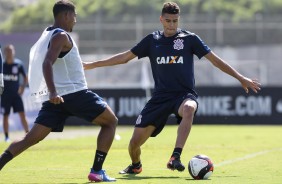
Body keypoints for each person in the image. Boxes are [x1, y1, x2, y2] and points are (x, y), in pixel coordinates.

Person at [83, 2, 261, 174]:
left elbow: (215, 60)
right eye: (168, 21)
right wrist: (92, 64)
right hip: (159, 98)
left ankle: (175, 156)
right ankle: (136, 165)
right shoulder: (152, 40)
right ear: (161, 19)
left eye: (175, 21)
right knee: (134, 145)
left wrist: (240, 77)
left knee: (190, 108)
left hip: (183, 95)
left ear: (179, 20)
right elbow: (124, 58)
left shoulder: (189, 39)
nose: (172, 25)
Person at [0, 0, 117, 182]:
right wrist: (54, 91)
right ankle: (97, 171)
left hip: (54, 100)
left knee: (29, 139)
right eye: (74, 16)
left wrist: (53, 92)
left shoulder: (46, 34)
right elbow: (48, 62)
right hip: (74, 94)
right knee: (111, 122)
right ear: (66, 16)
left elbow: (56, 62)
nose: (75, 20)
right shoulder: (61, 36)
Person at [1, 44, 29, 142]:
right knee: (5, 116)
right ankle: (7, 137)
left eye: (11, 50)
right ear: (5, 52)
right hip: (5, 96)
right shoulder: (2, 65)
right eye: (8, 51)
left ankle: (27, 135)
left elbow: (25, 78)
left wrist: (22, 87)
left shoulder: (18, 64)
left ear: (14, 51)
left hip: (16, 95)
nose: (10, 52)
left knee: (22, 114)